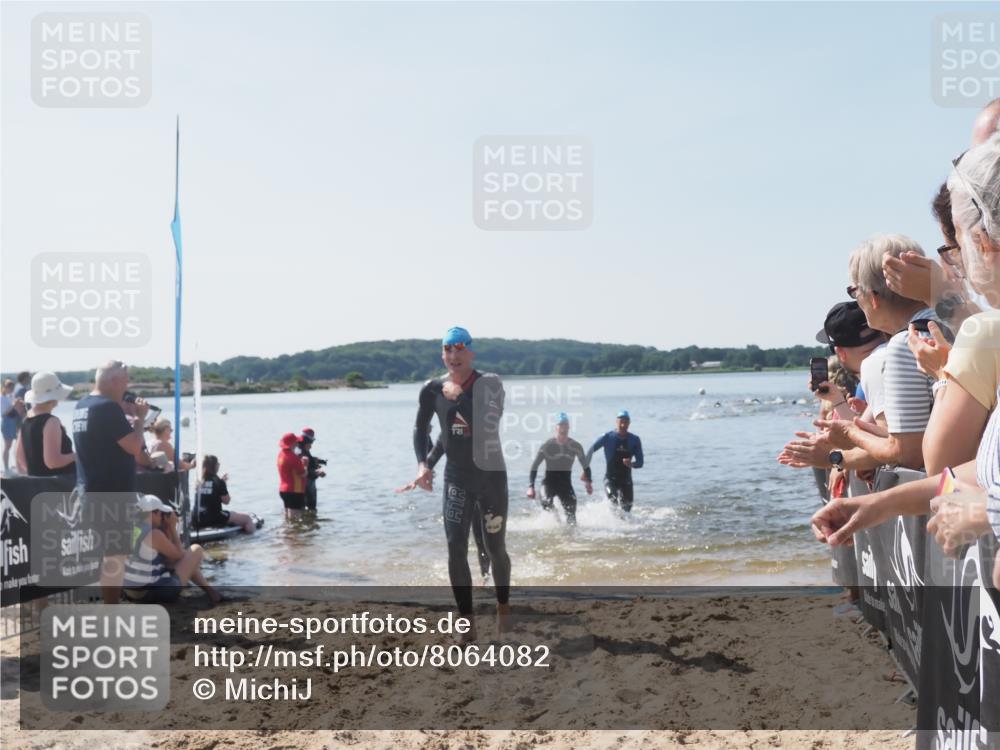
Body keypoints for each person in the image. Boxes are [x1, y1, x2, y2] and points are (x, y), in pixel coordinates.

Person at [409, 326, 511, 638]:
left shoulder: (490, 384)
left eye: (459, 349)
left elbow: (486, 424)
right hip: (457, 478)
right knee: (455, 547)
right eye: (447, 350)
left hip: (491, 476)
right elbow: (422, 429)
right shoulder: (431, 389)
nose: (453, 356)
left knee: (495, 549)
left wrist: (461, 397)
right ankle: (467, 622)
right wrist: (424, 464)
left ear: (471, 353)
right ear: (442, 354)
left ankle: (503, 609)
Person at [72, 361, 153, 604]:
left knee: (106, 554)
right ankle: (111, 610)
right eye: (126, 380)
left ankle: (107, 606)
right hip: (112, 492)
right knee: (115, 555)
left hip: (90, 489)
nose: (128, 385)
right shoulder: (107, 408)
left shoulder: (82, 404)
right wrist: (139, 419)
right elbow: (134, 447)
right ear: (115, 381)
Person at [123, 494, 221, 605]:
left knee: (181, 559)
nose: (161, 517)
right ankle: (211, 592)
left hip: (130, 592)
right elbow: (178, 555)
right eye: (160, 513)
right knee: (196, 550)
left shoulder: (133, 528)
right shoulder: (154, 534)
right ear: (153, 513)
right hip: (148, 594)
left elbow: (168, 559)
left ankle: (211, 592)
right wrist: (172, 527)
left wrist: (167, 530)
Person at [526, 412, 593, 524]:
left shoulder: (575, 446)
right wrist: (531, 486)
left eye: (566, 424)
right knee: (547, 503)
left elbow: (585, 465)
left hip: (565, 484)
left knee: (571, 511)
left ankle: (571, 538)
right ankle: (557, 520)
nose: (563, 427)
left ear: (569, 427)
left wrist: (588, 482)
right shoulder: (548, 445)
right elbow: (534, 466)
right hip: (549, 483)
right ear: (556, 427)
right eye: (561, 424)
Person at [15, 372, 75, 477]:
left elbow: (19, 456)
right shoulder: (51, 421)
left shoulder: (26, 420)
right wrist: (77, 456)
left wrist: (37, 473)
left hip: (39, 487)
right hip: (58, 486)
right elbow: (52, 462)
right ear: (53, 397)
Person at [587, 411, 643, 513]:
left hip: (626, 480)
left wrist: (632, 464)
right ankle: (611, 525)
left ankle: (625, 528)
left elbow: (640, 462)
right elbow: (591, 450)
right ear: (616, 422)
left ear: (629, 423)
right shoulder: (607, 437)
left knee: (627, 510)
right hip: (610, 479)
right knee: (613, 500)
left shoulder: (634, 440)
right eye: (621, 422)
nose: (623, 425)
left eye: (626, 422)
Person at [194, 455, 255, 533]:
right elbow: (226, 501)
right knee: (247, 519)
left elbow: (209, 492)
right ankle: (252, 539)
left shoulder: (198, 481)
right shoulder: (218, 481)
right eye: (217, 463)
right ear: (215, 466)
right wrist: (223, 484)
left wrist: (221, 482)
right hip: (214, 517)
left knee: (233, 513)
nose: (219, 465)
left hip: (198, 518)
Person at [277, 432, 307, 519]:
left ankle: (286, 532)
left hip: (283, 491)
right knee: (296, 520)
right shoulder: (293, 457)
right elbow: (303, 474)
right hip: (294, 491)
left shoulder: (281, 454)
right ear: (293, 444)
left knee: (288, 518)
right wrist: (305, 464)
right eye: (296, 442)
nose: (298, 444)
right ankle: (296, 532)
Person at [298, 428, 326, 512]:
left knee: (309, 510)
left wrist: (314, 461)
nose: (311, 445)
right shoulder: (300, 452)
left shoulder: (301, 449)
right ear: (306, 441)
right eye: (311, 442)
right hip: (305, 485)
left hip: (308, 483)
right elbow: (302, 470)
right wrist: (317, 472)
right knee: (310, 508)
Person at [1, 379, 18, 475]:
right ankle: (6, 468)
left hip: (12, 421)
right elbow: (4, 413)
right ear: (5, 387)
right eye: (10, 387)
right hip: (7, 422)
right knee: (7, 446)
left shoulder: (9, 397)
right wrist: (13, 405)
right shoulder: (2, 398)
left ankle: (13, 465)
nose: (12, 389)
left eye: (12, 387)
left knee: (13, 445)